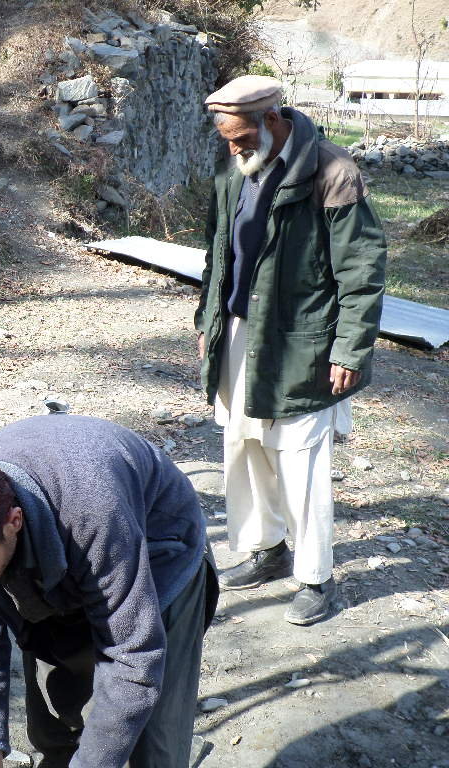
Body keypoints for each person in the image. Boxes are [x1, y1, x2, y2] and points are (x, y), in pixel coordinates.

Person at [0, 415, 217, 768]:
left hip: (156, 553)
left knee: (150, 742)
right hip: (55, 550)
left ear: (13, 522)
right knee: (57, 725)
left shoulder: (93, 510)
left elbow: (132, 657)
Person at [195, 75, 387, 625]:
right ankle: (266, 550)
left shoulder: (333, 172)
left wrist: (350, 349)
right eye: (227, 139)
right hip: (237, 331)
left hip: (302, 339)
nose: (233, 149)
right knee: (244, 447)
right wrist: (207, 317)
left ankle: (316, 578)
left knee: (300, 458)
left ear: (272, 121)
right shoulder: (235, 165)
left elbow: (362, 271)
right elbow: (217, 250)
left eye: (240, 138)